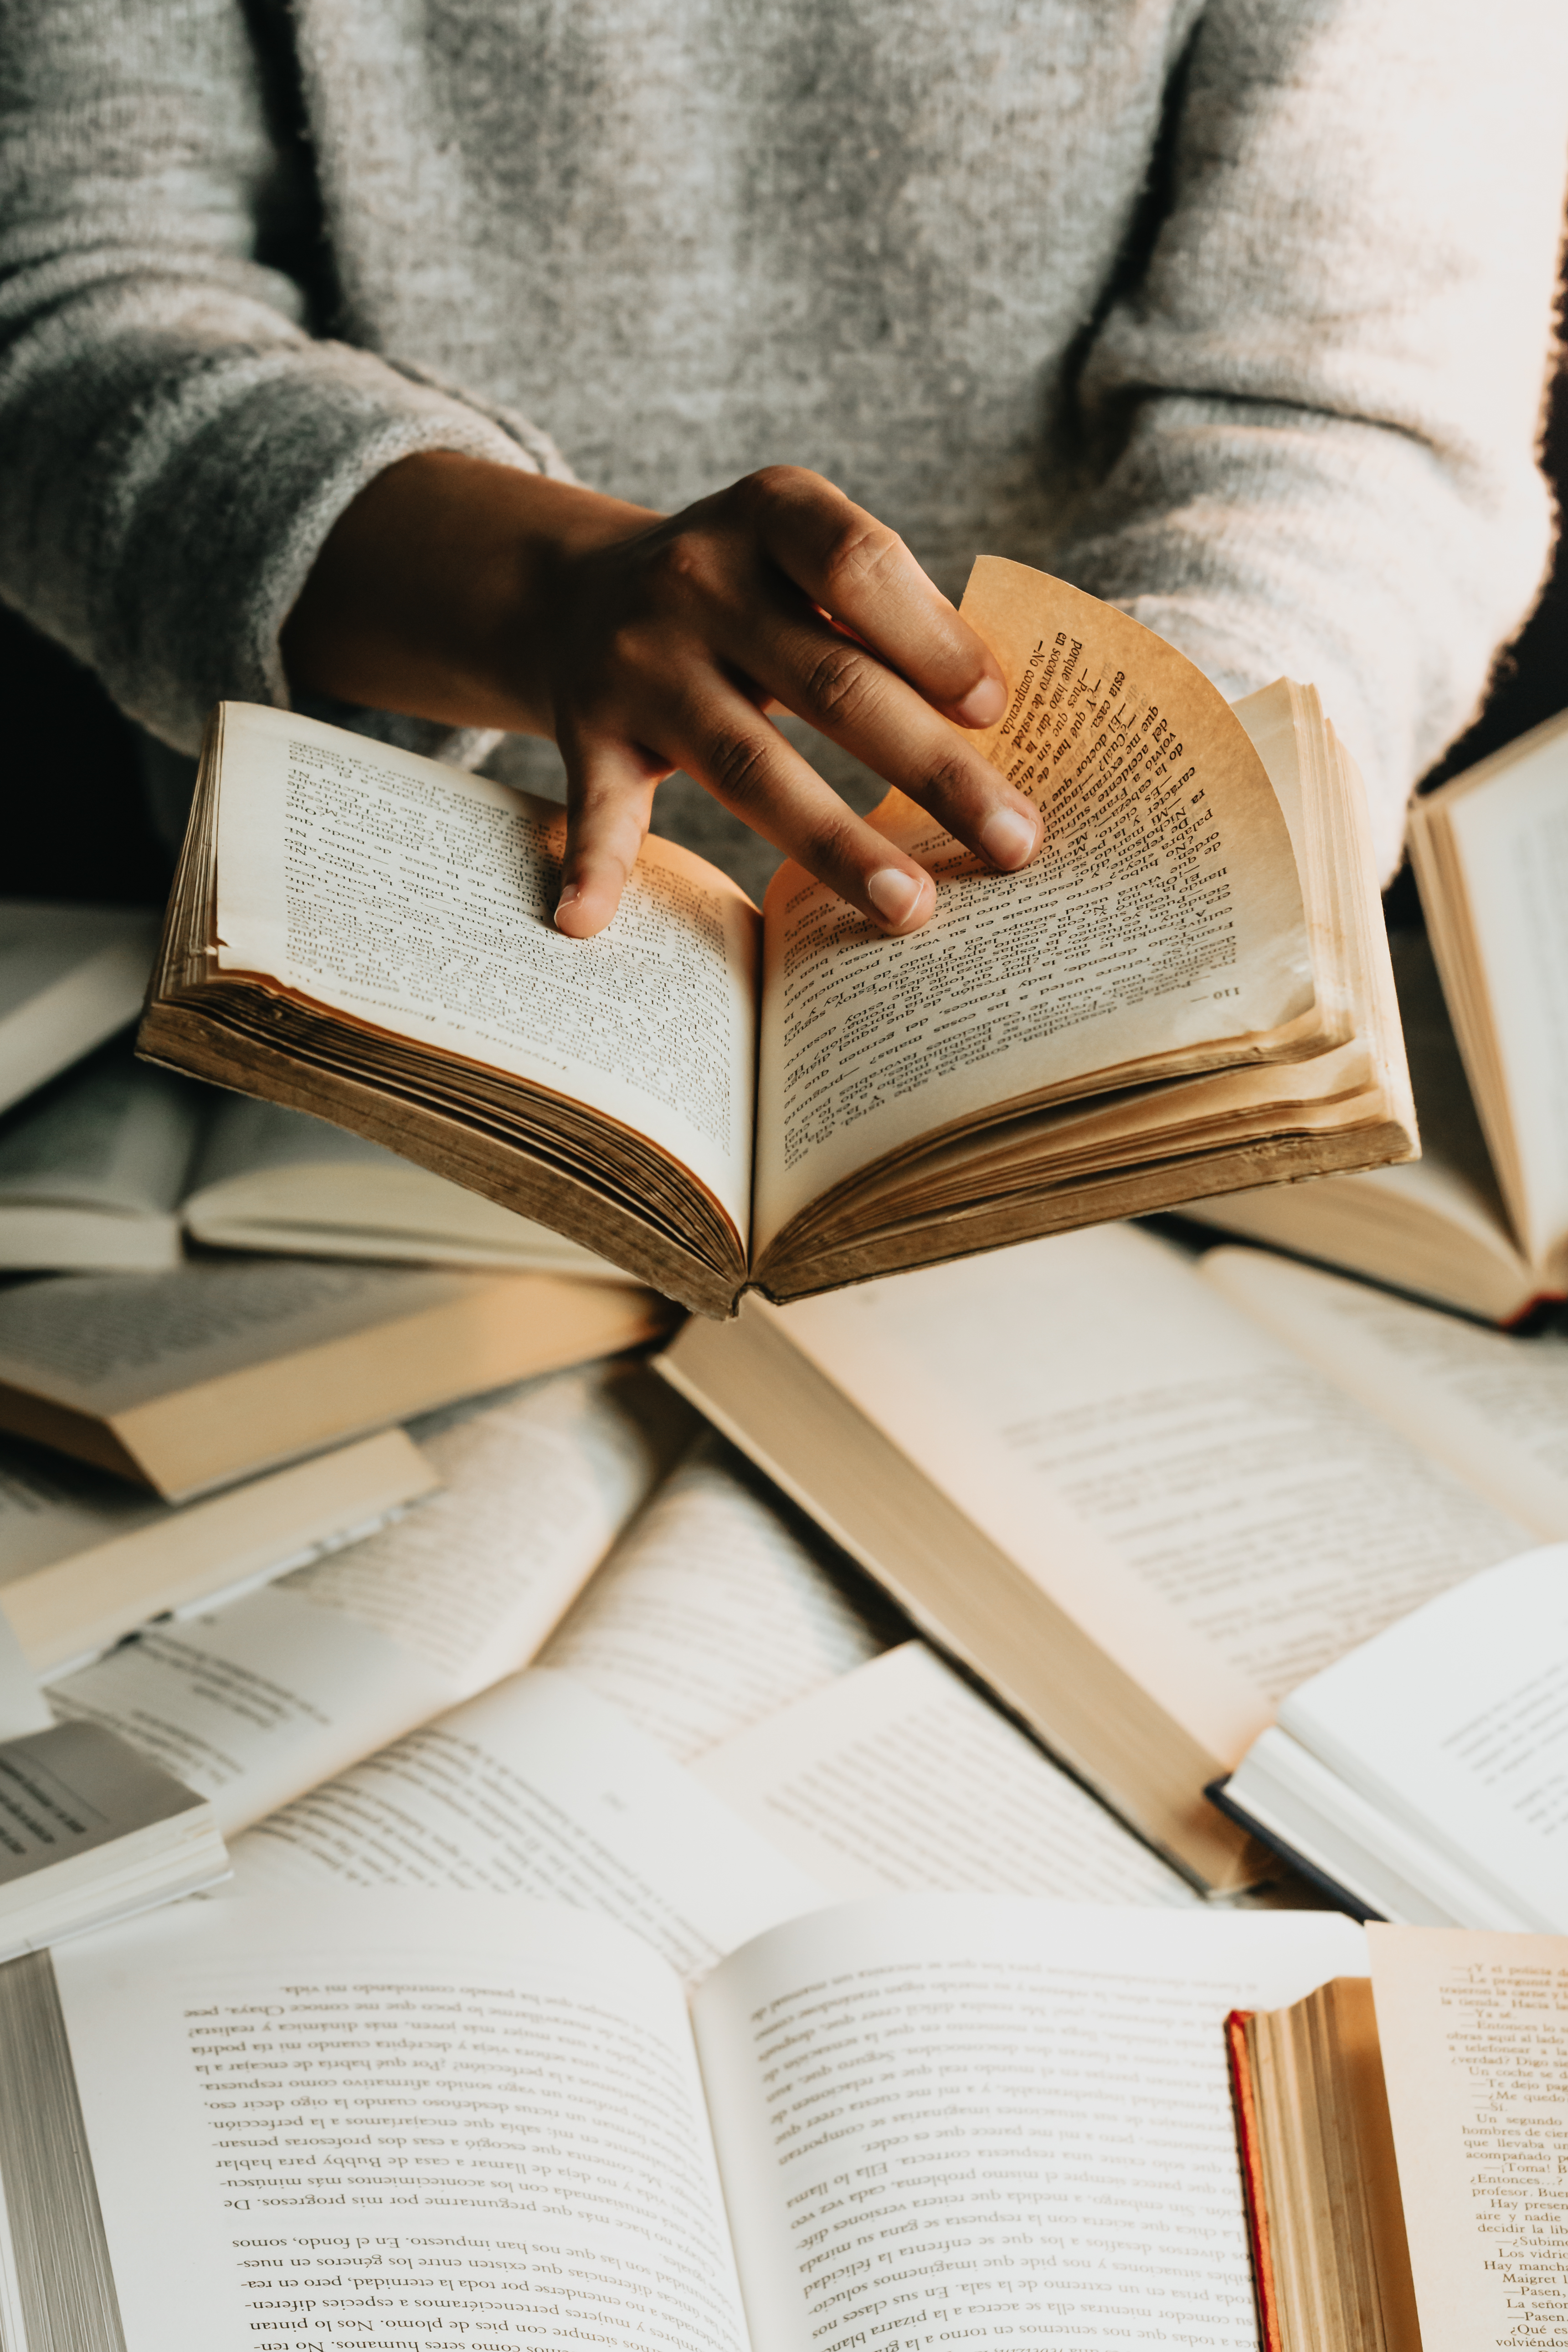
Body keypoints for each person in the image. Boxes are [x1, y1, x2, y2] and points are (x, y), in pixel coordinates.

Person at [1, 1, 1564, 939]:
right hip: (367, 1015)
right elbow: (66, 304)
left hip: (1077, 1071)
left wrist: (1126, 857)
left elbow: (1356, 422)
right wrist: (540, 592)